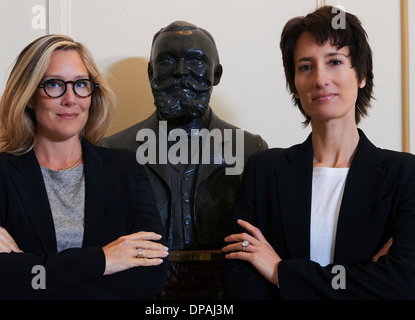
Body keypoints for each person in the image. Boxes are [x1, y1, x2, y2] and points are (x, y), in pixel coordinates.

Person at [223, 6, 415, 299]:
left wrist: (280, 272)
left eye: (335, 61)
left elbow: (403, 282)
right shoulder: (264, 170)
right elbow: (239, 283)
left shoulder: (404, 174)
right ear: (295, 84)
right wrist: (363, 276)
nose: (320, 79)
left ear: (362, 74)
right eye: (305, 66)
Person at [0, 34, 169, 300]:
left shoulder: (126, 169)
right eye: (54, 84)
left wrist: (26, 267)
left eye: (81, 84)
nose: (71, 99)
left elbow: (149, 279)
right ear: (28, 96)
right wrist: (104, 260)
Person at [100, 21, 267, 299]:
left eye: (195, 60)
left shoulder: (252, 149)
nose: (180, 72)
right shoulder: (115, 150)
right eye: (167, 60)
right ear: (151, 72)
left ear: (216, 74)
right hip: (143, 293)